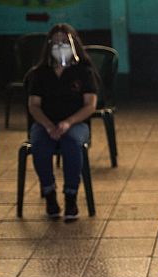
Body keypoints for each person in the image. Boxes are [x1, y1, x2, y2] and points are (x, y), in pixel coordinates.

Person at [25, 23, 97, 221]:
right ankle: (49, 193)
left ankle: (71, 196)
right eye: (55, 42)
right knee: (40, 143)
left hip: (76, 124)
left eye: (64, 42)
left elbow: (90, 105)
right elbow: (34, 105)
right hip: (45, 123)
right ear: (48, 46)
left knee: (72, 143)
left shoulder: (83, 71)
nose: (60, 46)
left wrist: (68, 122)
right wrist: (48, 125)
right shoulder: (40, 73)